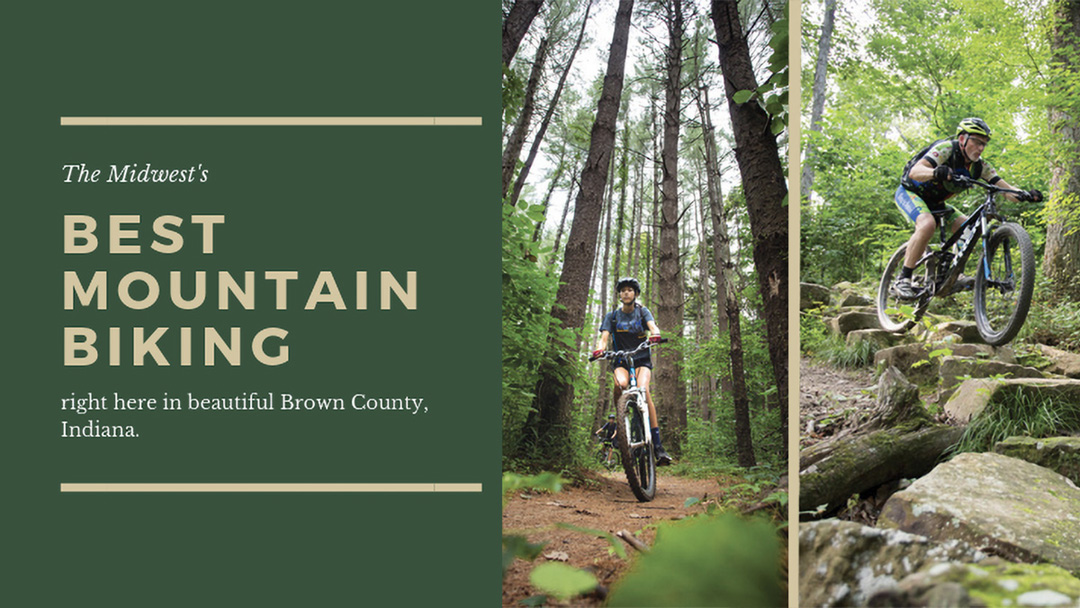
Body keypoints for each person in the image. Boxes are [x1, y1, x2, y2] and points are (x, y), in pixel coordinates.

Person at [893, 117, 1043, 299]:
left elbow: (1006, 190)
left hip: (938, 204)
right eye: (977, 142)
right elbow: (915, 172)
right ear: (963, 139)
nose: (981, 148)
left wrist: (1026, 194)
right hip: (910, 193)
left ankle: (953, 275)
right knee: (926, 224)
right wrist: (935, 172)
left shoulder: (980, 167)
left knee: (968, 227)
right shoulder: (946, 149)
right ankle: (904, 279)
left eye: (984, 144)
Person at [591, 277, 672, 466]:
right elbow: (604, 338)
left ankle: (658, 446)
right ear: (619, 294)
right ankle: (621, 418)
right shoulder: (612, 317)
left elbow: (652, 327)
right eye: (623, 290)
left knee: (644, 390)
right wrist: (599, 349)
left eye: (630, 290)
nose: (626, 293)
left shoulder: (642, 312)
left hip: (641, 359)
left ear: (635, 294)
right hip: (621, 360)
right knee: (620, 384)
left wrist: (656, 335)